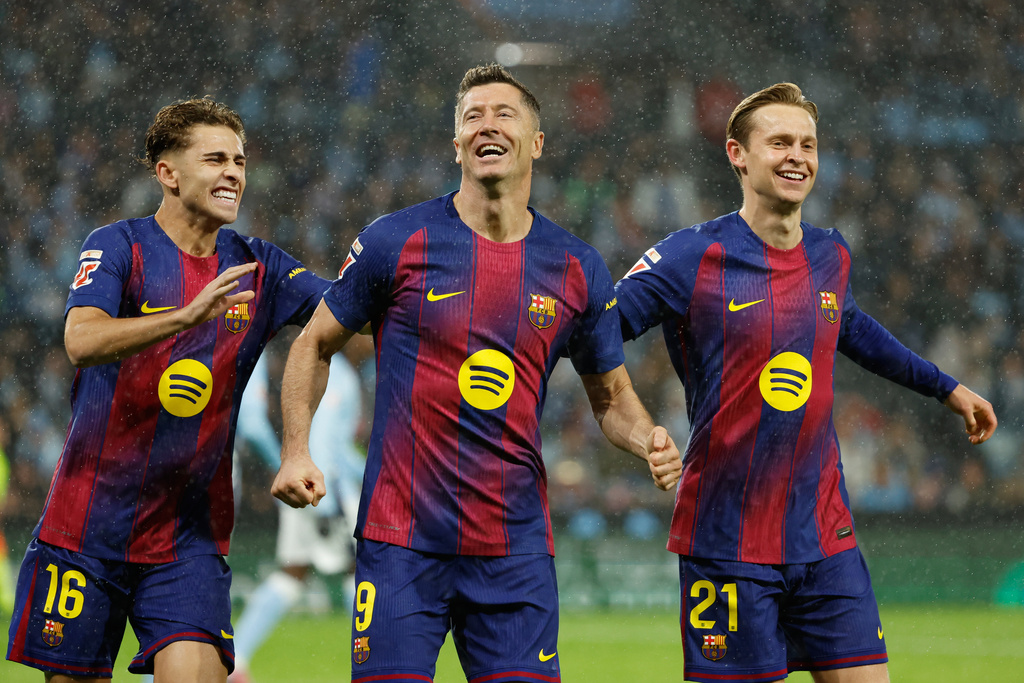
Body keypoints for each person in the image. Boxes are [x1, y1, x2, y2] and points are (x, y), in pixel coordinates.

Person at [271, 64, 683, 683]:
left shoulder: (577, 266)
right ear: (457, 143)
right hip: (401, 541)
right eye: (472, 117)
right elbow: (312, 344)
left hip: (514, 550)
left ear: (537, 143)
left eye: (504, 114)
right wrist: (296, 450)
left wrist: (646, 438)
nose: (487, 125)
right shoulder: (396, 241)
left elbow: (612, 395)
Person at [614, 82, 998, 683]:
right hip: (727, 538)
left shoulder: (830, 254)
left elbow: (852, 327)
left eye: (808, 144)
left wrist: (946, 387)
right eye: (780, 142)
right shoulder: (689, 256)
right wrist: (640, 431)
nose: (798, 155)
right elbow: (598, 334)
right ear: (738, 154)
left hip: (824, 532)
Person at [6, 97, 331, 683]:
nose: (234, 172)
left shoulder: (260, 267)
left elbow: (348, 312)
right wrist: (185, 316)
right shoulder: (118, 245)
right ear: (168, 172)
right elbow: (81, 339)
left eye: (240, 160)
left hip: (189, 537)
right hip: (86, 528)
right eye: (215, 159)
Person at [228, 350, 367, 683]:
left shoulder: (321, 364)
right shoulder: (334, 369)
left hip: (310, 484)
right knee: (358, 571)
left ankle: (237, 657)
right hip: (323, 491)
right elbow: (323, 441)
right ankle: (371, 658)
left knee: (293, 572)